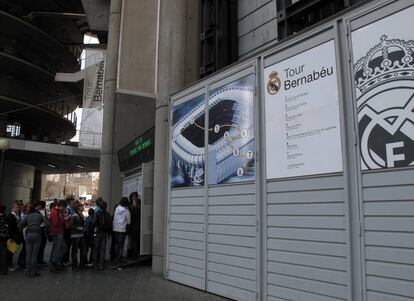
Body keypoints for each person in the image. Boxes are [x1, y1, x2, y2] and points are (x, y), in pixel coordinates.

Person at [19, 201, 49, 277]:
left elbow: (20, 225)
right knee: (34, 254)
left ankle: (27, 272)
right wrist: (40, 225)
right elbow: (47, 223)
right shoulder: (39, 215)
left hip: (28, 235)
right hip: (37, 234)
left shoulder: (27, 216)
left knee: (28, 254)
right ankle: (34, 272)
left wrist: (27, 226)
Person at [49, 199, 68, 273]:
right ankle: (54, 263)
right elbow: (56, 223)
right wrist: (64, 219)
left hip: (59, 232)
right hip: (57, 233)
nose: (64, 209)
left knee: (62, 248)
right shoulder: (54, 212)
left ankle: (54, 262)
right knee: (58, 248)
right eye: (64, 207)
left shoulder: (58, 211)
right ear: (61, 206)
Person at [93, 201, 112, 270]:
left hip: (98, 233)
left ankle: (95, 264)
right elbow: (110, 226)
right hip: (104, 234)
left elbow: (94, 223)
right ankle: (101, 265)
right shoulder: (108, 215)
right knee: (102, 250)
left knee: (96, 249)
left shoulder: (97, 214)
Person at [69, 201, 86, 270]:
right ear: (78, 208)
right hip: (75, 236)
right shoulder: (74, 216)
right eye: (81, 206)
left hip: (81, 235)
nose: (83, 207)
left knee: (83, 249)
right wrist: (79, 228)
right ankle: (74, 265)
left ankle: (81, 264)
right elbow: (71, 225)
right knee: (75, 250)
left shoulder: (81, 215)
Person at [113, 197, 131, 264]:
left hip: (115, 229)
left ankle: (116, 258)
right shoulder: (126, 211)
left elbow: (114, 219)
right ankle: (119, 259)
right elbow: (129, 221)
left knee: (117, 244)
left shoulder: (116, 209)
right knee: (121, 245)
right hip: (122, 230)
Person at [6, 201, 21, 271]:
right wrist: (11, 237)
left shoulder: (16, 216)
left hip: (14, 236)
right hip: (12, 237)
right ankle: (9, 266)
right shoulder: (11, 216)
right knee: (10, 252)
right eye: (16, 207)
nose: (17, 209)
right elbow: (10, 228)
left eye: (18, 207)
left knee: (12, 251)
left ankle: (10, 265)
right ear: (12, 208)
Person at [129, 192, 141, 259]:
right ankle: (133, 254)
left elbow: (136, 214)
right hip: (133, 226)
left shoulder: (138, 206)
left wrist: (134, 207)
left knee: (135, 241)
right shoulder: (130, 206)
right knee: (133, 241)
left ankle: (135, 254)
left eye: (135, 196)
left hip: (137, 226)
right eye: (132, 197)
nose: (134, 198)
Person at [0, 205, 9, 275]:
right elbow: (7, 227)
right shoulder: (6, 217)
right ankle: (4, 270)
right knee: (4, 254)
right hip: (3, 238)